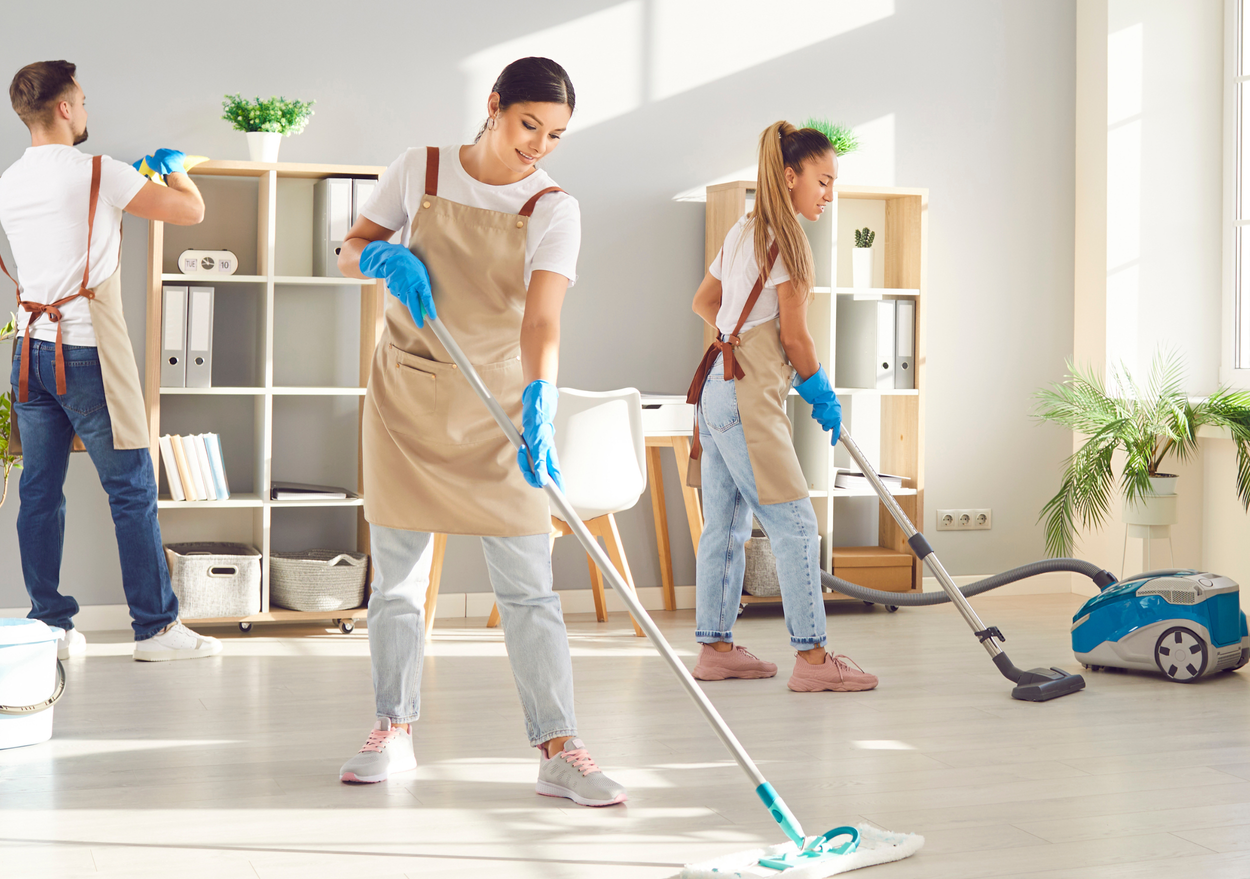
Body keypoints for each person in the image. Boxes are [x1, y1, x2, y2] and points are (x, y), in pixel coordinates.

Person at [332, 56, 624, 807]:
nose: (539, 146)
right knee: (397, 583)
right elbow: (350, 249)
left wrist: (540, 399)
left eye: (555, 135)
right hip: (408, 395)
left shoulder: (555, 208)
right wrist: (382, 257)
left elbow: (542, 317)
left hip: (498, 407)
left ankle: (560, 748)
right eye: (530, 125)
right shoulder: (420, 170)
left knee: (529, 588)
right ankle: (392, 730)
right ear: (494, 107)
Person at [0, 60, 223, 662]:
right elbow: (189, 213)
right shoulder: (100, 171)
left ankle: (52, 626)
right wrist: (176, 174)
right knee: (132, 492)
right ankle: (157, 630)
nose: (87, 112)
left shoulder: (8, 182)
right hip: (87, 351)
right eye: (84, 102)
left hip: (28, 353)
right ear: (64, 108)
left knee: (40, 493)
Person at [684, 122, 878, 692]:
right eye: (823, 180)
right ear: (790, 177)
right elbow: (795, 338)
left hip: (717, 388)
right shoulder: (790, 240)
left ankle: (716, 648)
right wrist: (819, 388)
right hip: (747, 397)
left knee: (724, 525)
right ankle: (814, 661)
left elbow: (704, 301)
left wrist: (733, 337)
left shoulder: (745, 228)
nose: (830, 194)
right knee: (795, 525)